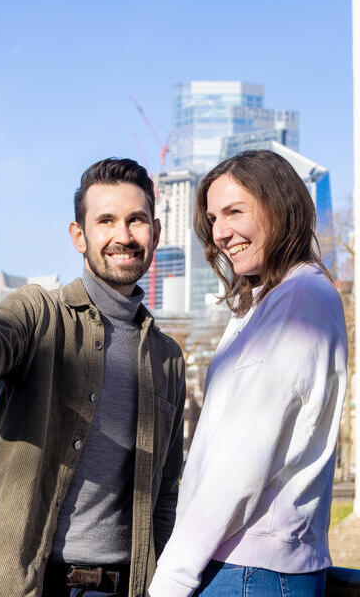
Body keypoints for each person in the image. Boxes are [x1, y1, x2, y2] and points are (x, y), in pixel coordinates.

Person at [0, 158, 186, 597]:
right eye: (106, 220)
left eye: (136, 220)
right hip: (7, 585)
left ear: (156, 231)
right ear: (79, 235)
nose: (123, 236)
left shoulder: (167, 358)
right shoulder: (37, 313)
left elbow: (166, 492)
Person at [149, 150, 348, 597]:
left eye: (235, 211)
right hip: (246, 564)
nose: (220, 232)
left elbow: (241, 458)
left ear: (279, 207)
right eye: (213, 218)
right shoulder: (271, 300)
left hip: (249, 571)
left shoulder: (298, 301)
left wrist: (173, 577)